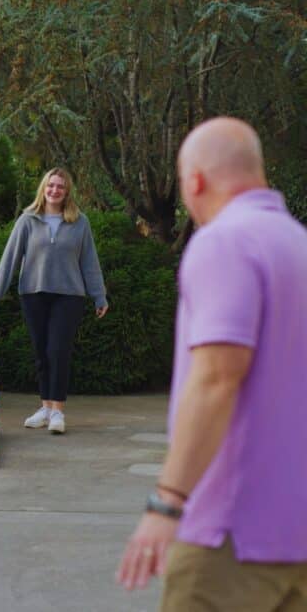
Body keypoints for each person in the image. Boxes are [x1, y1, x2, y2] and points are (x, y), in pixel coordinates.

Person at [116, 118, 307, 609]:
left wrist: (167, 501)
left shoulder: (224, 243)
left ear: (194, 180)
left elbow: (219, 376)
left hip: (230, 532)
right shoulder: (297, 245)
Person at [0, 167, 108, 434]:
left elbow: (89, 262)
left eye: (60, 187)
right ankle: (45, 407)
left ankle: (58, 411)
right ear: (44, 188)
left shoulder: (80, 222)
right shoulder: (28, 220)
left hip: (69, 296)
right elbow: (10, 259)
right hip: (34, 294)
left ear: (67, 192)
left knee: (58, 351)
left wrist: (99, 295)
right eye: (51, 185)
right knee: (41, 352)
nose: (55, 190)